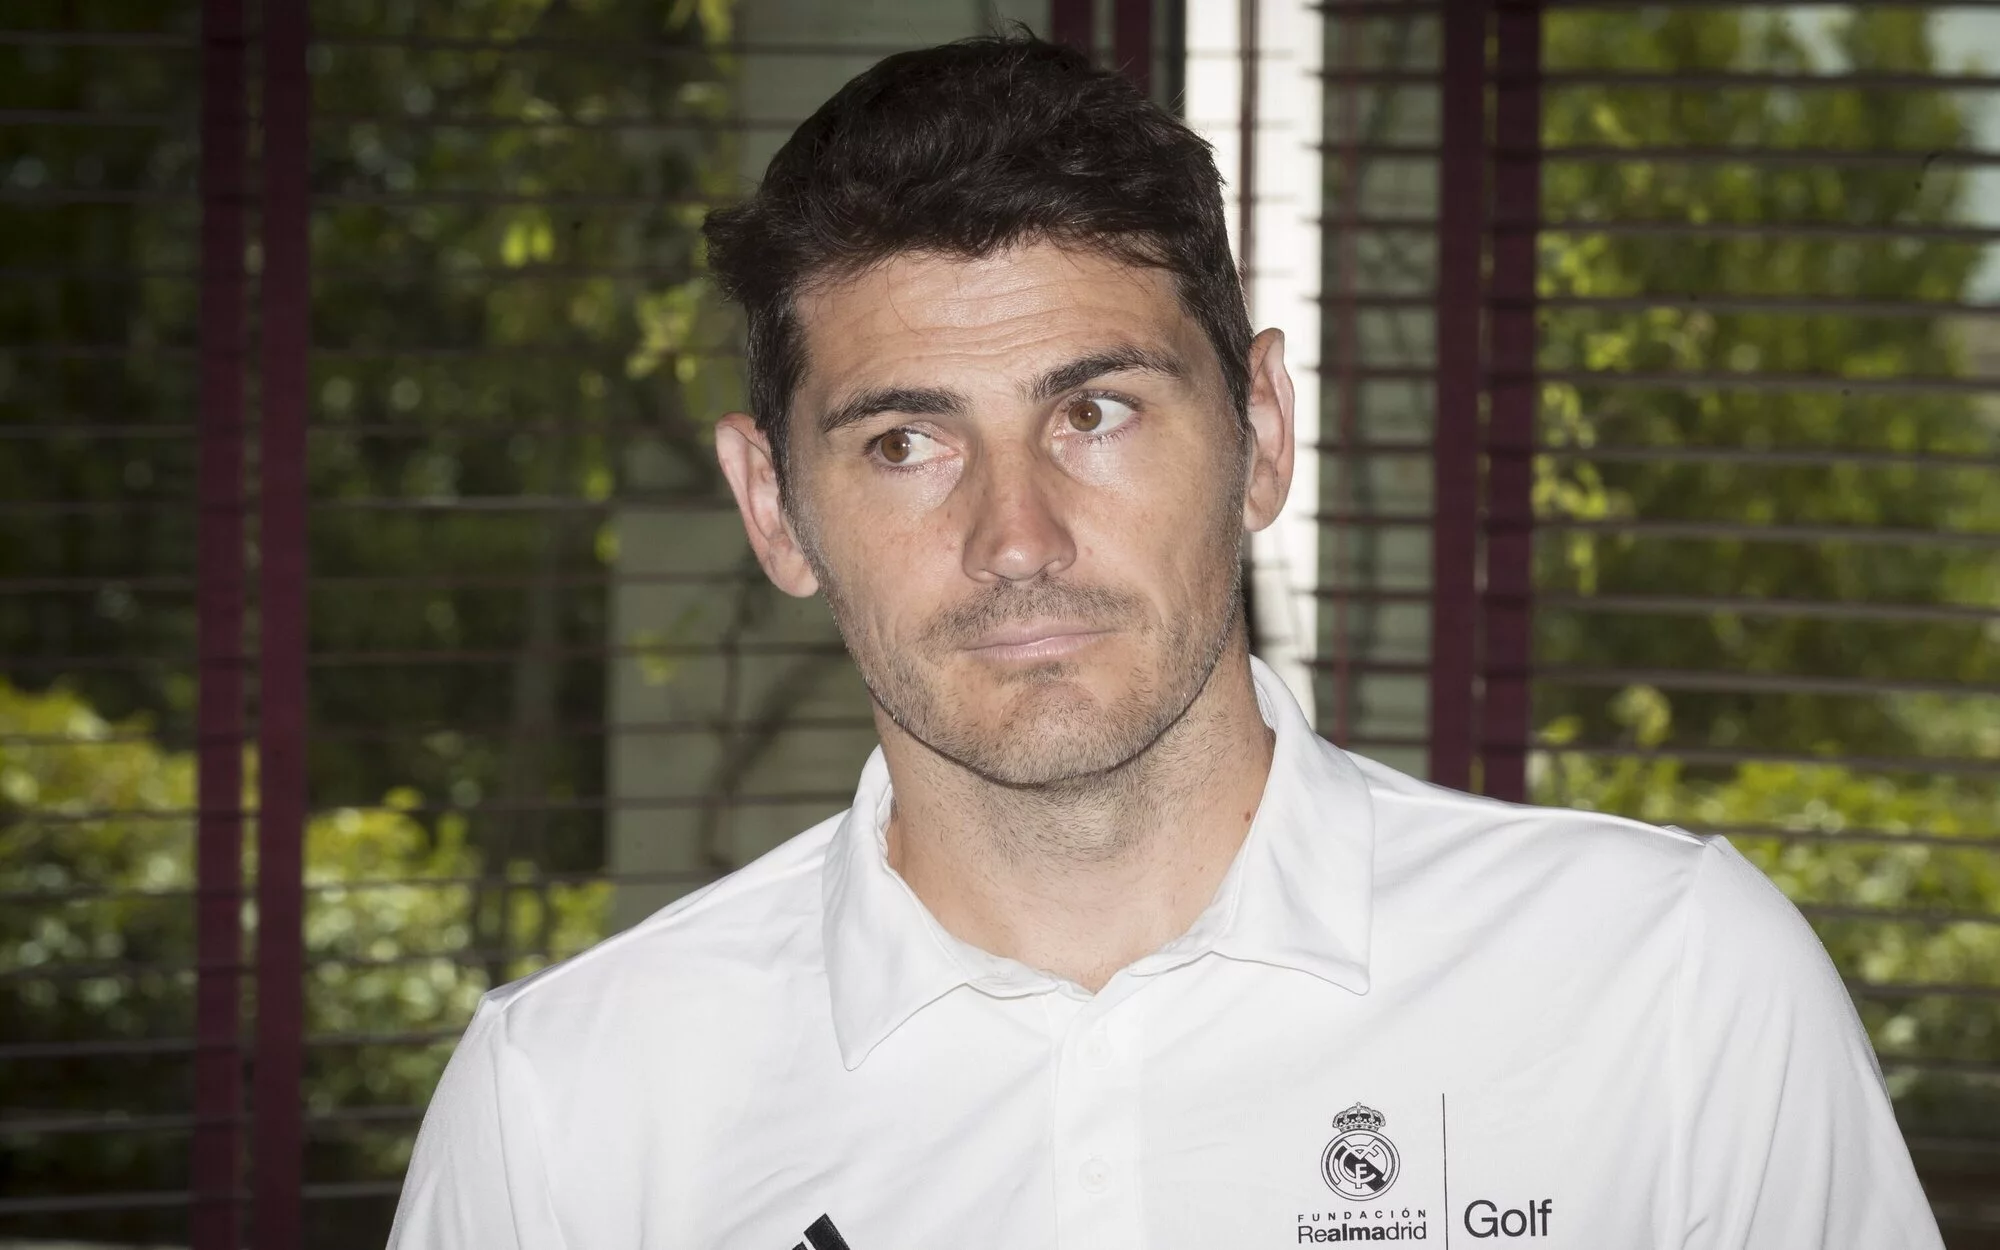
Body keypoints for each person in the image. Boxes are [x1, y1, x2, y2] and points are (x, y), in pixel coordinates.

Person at [385, 34, 1943, 1250]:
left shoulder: (1666, 989)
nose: (1016, 536)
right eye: (906, 443)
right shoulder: (571, 1112)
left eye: (1096, 411)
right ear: (773, 508)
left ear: (1262, 430)